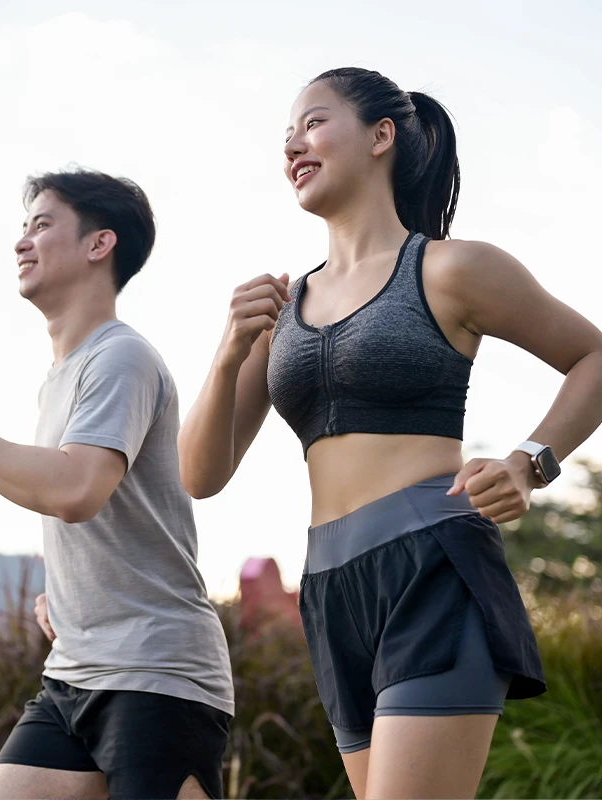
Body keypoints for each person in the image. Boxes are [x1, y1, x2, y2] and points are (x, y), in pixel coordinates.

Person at [177, 67, 602, 799]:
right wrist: (226, 355)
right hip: (332, 589)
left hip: (432, 564)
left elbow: (593, 356)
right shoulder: (278, 309)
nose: (293, 146)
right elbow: (200, 475)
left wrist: (532, 460)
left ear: (381, 137)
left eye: (312, 123)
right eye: (286, 136)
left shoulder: (450, 268)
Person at [0, 167, 234, 800]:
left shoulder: (121, 357)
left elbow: (77, 490)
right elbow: (86, 497)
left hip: (153, 674)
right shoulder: (61, 376)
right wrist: (68, 591)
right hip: (75, 673)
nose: (22, 242)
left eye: (42, 225)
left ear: (99, 244)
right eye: (22, 229)